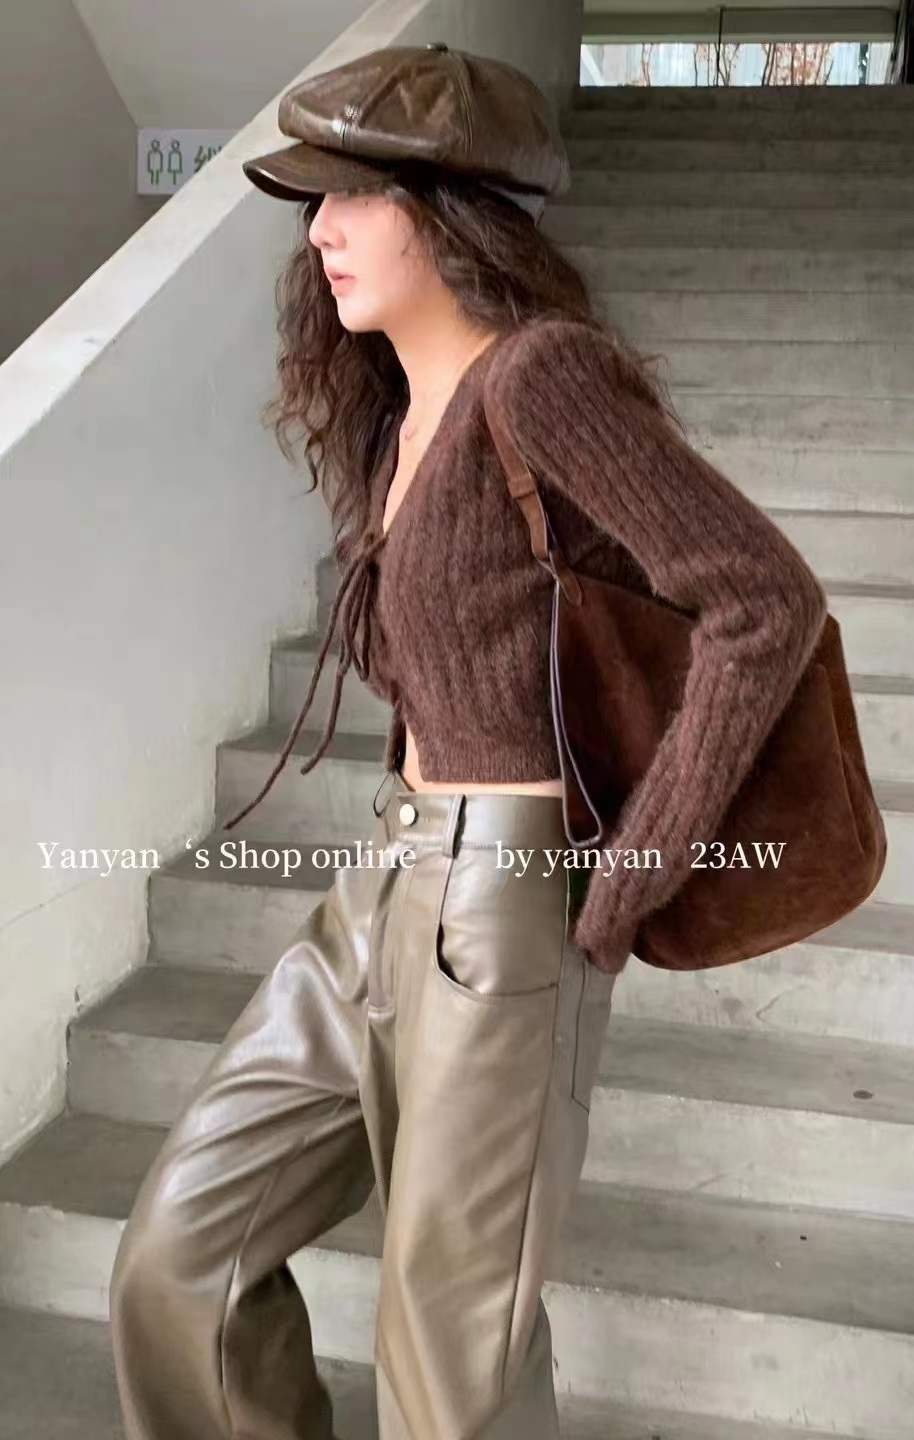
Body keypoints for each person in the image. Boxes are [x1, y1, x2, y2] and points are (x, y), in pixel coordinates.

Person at [108, 43, 828, 1440]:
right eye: (313, 201)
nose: (317, 230)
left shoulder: (541, 378)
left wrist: (629, 876)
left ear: (449, 212)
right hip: (380, 889)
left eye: (349, 196)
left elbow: (764, 598)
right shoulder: (402, 414)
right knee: (179, 1262)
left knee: (449, 1364)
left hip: (502, 904)